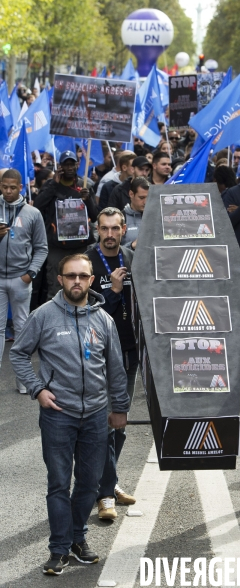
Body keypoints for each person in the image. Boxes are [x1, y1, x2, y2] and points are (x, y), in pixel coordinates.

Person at [9, 253, 129, 575]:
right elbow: (18, 354)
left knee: (89, 484)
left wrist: (120, 408)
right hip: (58, 415)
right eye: (70, 275)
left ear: (91, 281)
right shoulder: (43, 316)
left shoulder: (104, 320)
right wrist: (37, 389)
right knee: (59, 484)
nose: (77, 281)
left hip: (96, 416)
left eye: (83, 276)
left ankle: (78, 539)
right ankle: (59, 548)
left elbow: (117, 368)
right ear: (60, 279)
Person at [86, 209, 138, 520]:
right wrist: (114, 292)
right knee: (104, 424)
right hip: (99, 353)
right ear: (97, 229)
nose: (109, 234)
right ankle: (105, 493)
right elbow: (86, 308)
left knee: (120, 420)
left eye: (114, 228)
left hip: (129, 350)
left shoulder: (131, 259)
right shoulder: (87, 261)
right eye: (104, 228)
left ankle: (108, 480)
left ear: (123, 230)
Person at [0, 169, 48, 392]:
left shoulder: (32, 213)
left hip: (21, 279)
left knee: (21, 329)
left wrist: (31, 273)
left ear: (20, 187)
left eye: (12, 187)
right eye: (4, 187)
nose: (8, 191)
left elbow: (42, 248)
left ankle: (23, 382)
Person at [34, 150, 97, 299]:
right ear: (60, 166)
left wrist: (88, 200)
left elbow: (95, 216)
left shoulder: (84, 185)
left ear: (77, 165)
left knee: (81, 286)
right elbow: (37, 206)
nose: (69, 168)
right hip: (57, 248)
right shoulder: (51, 185)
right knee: (56, 287)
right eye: (66, 164)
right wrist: (54, 185)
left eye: (72, 164)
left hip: (80, 245)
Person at [121, 177, 149, 251]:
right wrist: (131, 246)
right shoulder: (121, 217)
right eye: (141, 197)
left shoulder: (156, 216)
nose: (145, 202)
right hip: (129, 261)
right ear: (131, 194)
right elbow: (110, 249)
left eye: (148, 197)